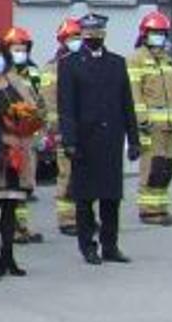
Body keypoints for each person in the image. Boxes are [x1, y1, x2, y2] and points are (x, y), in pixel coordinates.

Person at [57, 13, 141, 266]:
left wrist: (133, 139)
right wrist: (69, 140)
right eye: (88, 33)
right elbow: (67, 106)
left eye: (98, 32)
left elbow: (127, 103)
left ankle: (110, 245)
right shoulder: (70, 63)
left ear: (104, 34)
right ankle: (88, 246)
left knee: (111, 196)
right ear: (82, 34)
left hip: (111, 138)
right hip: (84, 140)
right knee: (85, 198)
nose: (93, 37)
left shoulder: (116, 63)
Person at [0, 37, 44, 277]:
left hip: (16, 155)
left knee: (10, 207)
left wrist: (27, 128)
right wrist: (0, 137)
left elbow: (31, 109)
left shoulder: (15, 81)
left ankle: (8, 254)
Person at [130, 11, 172, 226]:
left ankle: (161, 208)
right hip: (150, 125)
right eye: (154, 33)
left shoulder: (167, 60)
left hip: (170, 124)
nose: (158, 37)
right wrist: (141, 118)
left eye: (162, 33)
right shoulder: (136, 60)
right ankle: (149, 210)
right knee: (152, 167)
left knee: (167, 166)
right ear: (145, 34)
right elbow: (133, 91)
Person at [2, 27, 46, 244]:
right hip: (10, 137)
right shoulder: (2, 74)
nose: (20, 53)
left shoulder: (33, 72)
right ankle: (10, 229)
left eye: (23, 49)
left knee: (25, 185)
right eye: (16, 49)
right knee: (9, 185)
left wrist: (41, 130)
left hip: (28, 136)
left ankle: (23, 227)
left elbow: (39, 101)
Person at [46, 18, 84, 235]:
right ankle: (68, 219)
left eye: (78, 37)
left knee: (87, 176)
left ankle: (85, 216)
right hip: (64, 130)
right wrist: (56, 130)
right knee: (68, 175)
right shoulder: (53, 68)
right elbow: (49, 102)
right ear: (62, 41)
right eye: (71, 38)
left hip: (86, 130)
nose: (76, 41)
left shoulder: (87, 62)